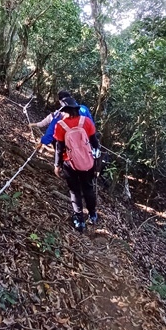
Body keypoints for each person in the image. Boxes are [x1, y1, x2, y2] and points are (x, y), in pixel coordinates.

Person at [53, 97, 99, 232]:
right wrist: (96, 163)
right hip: (87, 162)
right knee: (88, 188)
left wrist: (57, 165)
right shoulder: (87, 122)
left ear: (65, 111)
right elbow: (95, 144)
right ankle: (93, 215)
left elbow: (59, 148)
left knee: (75, 191)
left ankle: (79, 220)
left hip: (69, 163)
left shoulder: (60, 125)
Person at [30, 89, 94, 146]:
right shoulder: (84, 108)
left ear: (61, 101)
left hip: (69, 148)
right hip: (86, 144)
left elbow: (50, 132)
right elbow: (92, 125)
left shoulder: (59, 115)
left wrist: (43, 141)